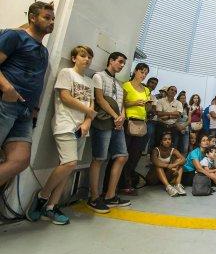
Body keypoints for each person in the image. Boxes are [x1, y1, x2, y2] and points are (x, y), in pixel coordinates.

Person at [27, 46, 95, 225]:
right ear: (74, 58)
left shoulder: (90, 81)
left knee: (68, 167)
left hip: (82, 128)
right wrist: (88, 110)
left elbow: (92, 106)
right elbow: (65, 97)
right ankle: (42, 197)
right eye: (82, 56)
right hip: (65, 124)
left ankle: (51, 207)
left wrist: (87, 121)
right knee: (69, 162)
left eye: (89, 57)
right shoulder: (66, 73)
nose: (86, 59)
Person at [0, 1, 53, 188]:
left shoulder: (44, 51)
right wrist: (7, 89)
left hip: (25, 113)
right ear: (32, 17)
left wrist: (36, 108)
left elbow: (37, 79)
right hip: (5, 104)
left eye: (53, 19)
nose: (51, 22)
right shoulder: (15, 36)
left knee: (20, 160)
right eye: (46, 17)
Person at [87, 52, 131, 212]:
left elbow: (122, 103)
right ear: (111, 61)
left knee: (122, 156)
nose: (121, 65)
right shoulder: (98, 76)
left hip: (117, 124)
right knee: (99, 158)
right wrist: (115, 116)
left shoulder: (119, 84)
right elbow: (99, 99)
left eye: (123, 64)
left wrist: (122, 117)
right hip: (103, 122)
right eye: (119, 62)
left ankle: (110, 196)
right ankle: (93, 198)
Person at [120, 62, 150, 194]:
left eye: (145, 73)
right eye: (142, 72)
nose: (143, 75)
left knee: (135, 155)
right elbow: (121, 103)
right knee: (123, 155)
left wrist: (148, 105)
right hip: (128, 122)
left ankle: (127, 182)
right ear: (135, 71)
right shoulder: (126, 85)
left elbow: (147, 108)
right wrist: (135, 102)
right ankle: (119, 184)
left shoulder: (146, 89)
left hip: (141, 123)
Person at [145, 132, 186, 197]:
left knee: (180, 163)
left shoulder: (173, 150)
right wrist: (168, 166)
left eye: (169, 139)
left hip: (166, 176)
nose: (167, 141)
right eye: (165, 139)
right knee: (159, 166)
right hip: (153, 178)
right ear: (161, 141)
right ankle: (168, 187)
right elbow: (155, 161)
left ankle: (178, 185)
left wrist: (175, 165)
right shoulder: (156, 150)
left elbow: (183, 159)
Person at [155, 85, 182, 150]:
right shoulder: (160, 101)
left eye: (175, 91)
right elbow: (159, 113)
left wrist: (168, 116)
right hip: (161, 125)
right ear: (167, 91)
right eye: (172, 90)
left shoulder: (178, 103)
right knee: (158, 143)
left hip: (172, 126)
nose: (173, 91)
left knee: (172, 145)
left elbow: (178, 114)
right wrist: (172, 113)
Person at [143, 77, 159, 155]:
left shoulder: (153, 98)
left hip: (147, 120)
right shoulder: (141, 91)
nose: (153, 85)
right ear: (148, 82)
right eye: (152, 82)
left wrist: (149, 109)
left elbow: (153, 111)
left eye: (155, 84)